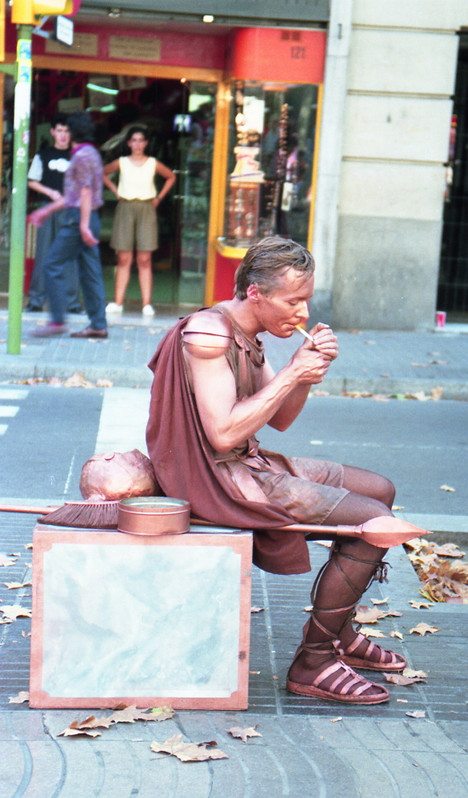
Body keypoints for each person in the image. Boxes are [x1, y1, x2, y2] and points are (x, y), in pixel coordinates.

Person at [146, 236, 427, 706]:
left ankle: (339, 632)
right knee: (374, 524)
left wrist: (308, 371)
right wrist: (293, 373)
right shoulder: (209, 334)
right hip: (215, 477)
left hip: (247, 462)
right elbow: (223, 434)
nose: (303, 312)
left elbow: (280, 419)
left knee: (380, 489)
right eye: (293, 300)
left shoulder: (247, 331)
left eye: (306, 299)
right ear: (256, 293)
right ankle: (314, 661)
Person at [28, 111, 108, 339]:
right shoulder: (91, 153)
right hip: (89, 217)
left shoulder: (81, 157)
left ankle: (57, 320)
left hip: (77, 219)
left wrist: (82, 225)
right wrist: (46, 210)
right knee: (91, 273)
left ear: (72, 132)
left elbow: (84, 192)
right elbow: (75, 194)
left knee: (52, 265)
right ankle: (98, 324)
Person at [102, 125, 176, 316]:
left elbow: (170, 177)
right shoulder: (121, 162)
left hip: (146, 208)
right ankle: (118, 302)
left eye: (140, 140)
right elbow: (103, 173)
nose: (137, 144)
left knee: (144, 259)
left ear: (145, 143)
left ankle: (146, 304)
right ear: (128, 143)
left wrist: (158, 198)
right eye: (133, 140)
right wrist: (116, 191)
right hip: (125, 207)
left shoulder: (152, 163)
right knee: (123, 258)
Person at [26, 113, 81, 313]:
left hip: (70, 209)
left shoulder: (77, 155)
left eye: (66, 131)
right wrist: (50, 192)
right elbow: (32, 181)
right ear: (52, 132)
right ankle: (36, 301)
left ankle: (72, 303)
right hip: (47, 208)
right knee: (43, 253)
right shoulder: (43, 154)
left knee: (70, 256)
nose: (63, 135)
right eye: (59, 131)